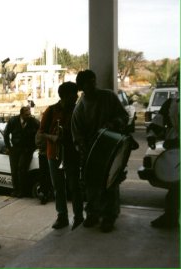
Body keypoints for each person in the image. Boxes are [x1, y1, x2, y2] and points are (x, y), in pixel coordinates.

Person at [71, 69, 129, 233]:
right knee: (91, 186)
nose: (93, 85)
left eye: (94, 81)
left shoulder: (109, 97)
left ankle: (109, 217)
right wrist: (82, 148)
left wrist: (113, 124)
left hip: (112, 148)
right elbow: (77, 136)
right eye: (88, 83)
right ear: (81, 86)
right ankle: (93, 214)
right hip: (91, 152)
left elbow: (124, 116)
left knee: (111, 184)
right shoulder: (79, 109)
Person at [39, 82, 84, 230]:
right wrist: (53, 138)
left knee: (75, 187)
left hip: (72, 153)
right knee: (58, 187)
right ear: (64, 96)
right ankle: (62, 216)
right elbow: (41, 133)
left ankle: (78, 217)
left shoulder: (78, 110)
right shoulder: (51, 111)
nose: (76, 97)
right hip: (55, 154)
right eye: (74, 94)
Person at [146, 71, 179, 229]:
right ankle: (170, 217)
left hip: (175, 145)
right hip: (174, 150)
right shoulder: (171, 103)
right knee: (175, 186)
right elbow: (158, 121)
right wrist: (152, 134)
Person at [4, 106, 40, 197]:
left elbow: (41, 131)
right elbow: (6, 133)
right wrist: (8, 147)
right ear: (21, 114)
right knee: (14, 170)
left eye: (30, 114)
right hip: (15, 148)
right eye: (27, 114)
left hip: (27, 149)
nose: (29, 116)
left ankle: (22, 191)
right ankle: (15, 190)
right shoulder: (13, 121)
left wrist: (36, 145)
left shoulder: (34, 122)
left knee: (22, 169)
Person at [35, 132, 55, 205]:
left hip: (47, 155)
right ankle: (45, 193)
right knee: (44, 174)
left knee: (47, 174)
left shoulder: (42, 131)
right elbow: (38, 143)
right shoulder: (41, 131)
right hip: (44, 155)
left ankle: (46, 193)